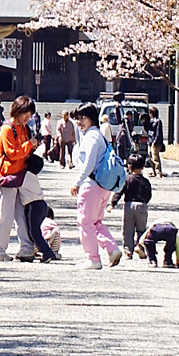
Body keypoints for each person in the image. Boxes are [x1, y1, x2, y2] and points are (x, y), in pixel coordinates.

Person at [70, 102, 123, 269]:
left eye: (83, 118)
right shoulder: (95, 134)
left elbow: (89, 162)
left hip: (91, 185)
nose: (79, 122)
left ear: (92, 118)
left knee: (85, 222)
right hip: (102, 186)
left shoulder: (91, 136)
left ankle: (93, 258)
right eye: (77, 119)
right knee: (96, 222)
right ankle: (112, 249)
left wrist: (77, 182)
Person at [0, 96, 39, 262]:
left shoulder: (23, 128)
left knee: (20, 213)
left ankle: (26, 247)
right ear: (17, 110)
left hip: (20, 175)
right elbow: (12, 153)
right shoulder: (7, 129)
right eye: (25, 113)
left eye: (30, 114)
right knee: (6, 215)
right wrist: (29, 145)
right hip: (7, 176)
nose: (28, 117)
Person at [18, 152, 59, 261]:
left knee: (34, 232)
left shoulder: (24, 176)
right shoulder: (33, 176)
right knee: (35, 231)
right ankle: (45, 250)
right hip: (41, 204)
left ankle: (47, 253)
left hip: (33, 205)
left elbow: (13, 182)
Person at [111, 157, 152, 258]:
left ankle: (128, 250)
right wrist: (144, 202)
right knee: (141, 229)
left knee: (128, 230)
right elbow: (148, 195)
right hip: (142, 205)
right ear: (143, 167)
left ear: (129, 167)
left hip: (129, 205)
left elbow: (119, 192)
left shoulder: (126, 179)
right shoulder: (146, 181)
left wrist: (112, 203)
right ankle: (140, 246)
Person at [146, 105, 166, 177]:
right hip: (150, 140)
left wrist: (155, 141)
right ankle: (153, 171)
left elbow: (158, 132)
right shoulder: (151, 121)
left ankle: (158, 172)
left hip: (155, 142)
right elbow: (147, 129)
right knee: (150, 156)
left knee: (155, 157)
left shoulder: (158, 121)